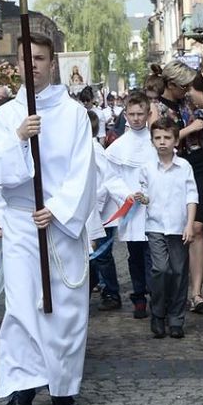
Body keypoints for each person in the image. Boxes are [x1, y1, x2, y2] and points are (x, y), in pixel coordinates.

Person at [0, 34, 95, 405]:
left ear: (52, 63)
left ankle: (63, 385)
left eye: (40, 58)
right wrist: (18, 138)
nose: (33, 65)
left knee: (64, 307)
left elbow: (83, 170)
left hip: (59, 222)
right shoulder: (4, 117)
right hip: (20, 221)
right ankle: (22, 386)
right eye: (25, 59)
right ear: (15, 64)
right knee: (21, 305)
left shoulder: (74, 114)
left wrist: (59, 209)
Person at [155, 61, 203, 314]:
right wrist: (189, 129)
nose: (187, 90)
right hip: (174, 168)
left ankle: (197, 292)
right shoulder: (156, 108)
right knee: (176, 230)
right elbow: (159, 142)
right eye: (183, 87)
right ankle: (173, 288)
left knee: (198, 227)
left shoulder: (189, 100)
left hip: (199, 165)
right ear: (170, 85)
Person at [139, 117, 198, 339]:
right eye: (158, 138)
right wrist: (141, 198)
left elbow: (192, 196)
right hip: (155, 226)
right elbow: (143, 191)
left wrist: (190, 224)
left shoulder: (184, 167)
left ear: (175, 141)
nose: (162, 142)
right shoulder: (147, 168)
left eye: (166, 138)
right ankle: (158, 313)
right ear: (152, 141)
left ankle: (176, 318)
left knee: (178, 272)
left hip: (178, 227)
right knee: (160, 269)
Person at [104, 92, 157, 319]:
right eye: (132, 114)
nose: (136, 118)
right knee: (135, 254)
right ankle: (139, 296)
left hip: (154, 207)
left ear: (147, 114)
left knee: (152, 254)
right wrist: (126, 195)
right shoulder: (119, 146)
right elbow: (110, 176)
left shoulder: (156, 140)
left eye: (140, 114)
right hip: (132, 209)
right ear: (125, 115)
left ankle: (156, 295)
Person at [86, 110, 122, 311]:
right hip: (90, 212)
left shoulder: (95, 149)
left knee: (102, 254)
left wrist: (95, 207)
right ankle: (95, 285)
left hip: (102, 213)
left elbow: (105, 182)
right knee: (92, 253)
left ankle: (111, 292)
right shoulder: (81, 148)